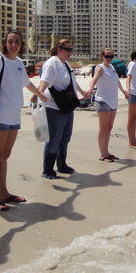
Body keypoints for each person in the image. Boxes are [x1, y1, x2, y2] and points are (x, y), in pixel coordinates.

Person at [0, 30, 47, 211]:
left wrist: (39, 94)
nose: (14, 45)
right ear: (5, 43)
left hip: (13, 115)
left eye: (17, 42)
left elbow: (26, 82)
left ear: (21, 44)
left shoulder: (18, 63)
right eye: (10, 41)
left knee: (4, 156)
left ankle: (4, 192)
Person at [37, 39, 87, 179]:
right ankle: (47, 170)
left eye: (71, 49)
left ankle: (61, 165)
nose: (70, 53)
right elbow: (45, 79)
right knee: (54, 140)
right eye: (67, 49)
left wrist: (82, 92)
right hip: (53, 106)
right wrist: (38, 93)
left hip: (66, 106)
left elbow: (73, 82)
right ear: (59, 49)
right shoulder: (53, 62)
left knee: (65, 138)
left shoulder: (65, 63)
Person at [84, 48, 129, 162]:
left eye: (111, 56)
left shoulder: (112, 67)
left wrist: (124, 92)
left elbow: (117, 81)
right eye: (107, 56)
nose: (109, 59)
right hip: (102, 101)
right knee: (103, 128)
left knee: (109, 128)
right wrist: (89, 89)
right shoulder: (100, 68)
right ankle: (102, 154)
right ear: (102, 56)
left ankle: (107, 151)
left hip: (113, 101)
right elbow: (94, 79)